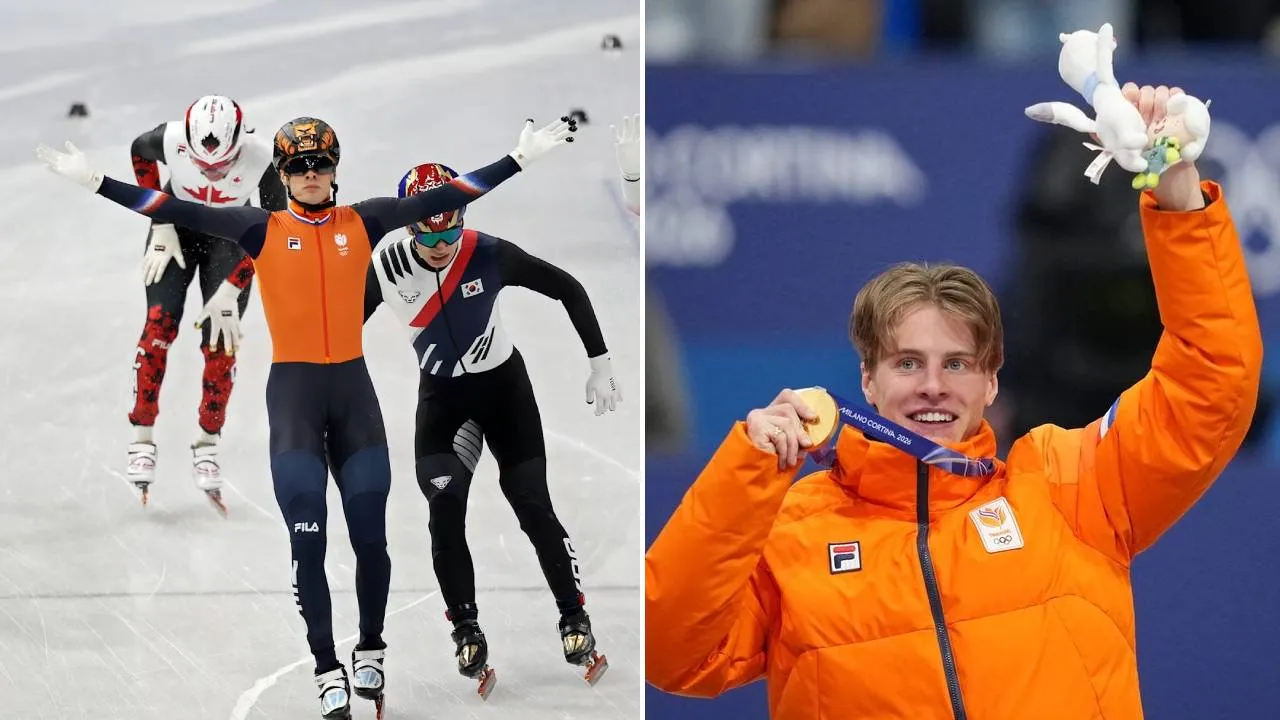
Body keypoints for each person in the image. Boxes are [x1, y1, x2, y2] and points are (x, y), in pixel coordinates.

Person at [644, 84, 1263, 719]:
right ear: (868, 381)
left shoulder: (1070, 487)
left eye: (958, 364)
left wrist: (1177, 186)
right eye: (907, 362)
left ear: (991, 382)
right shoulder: (793, 533)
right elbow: (671, 654)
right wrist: (744, 473)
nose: (933, 385)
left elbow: (1210, 386)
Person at [38, 115, 577, 720]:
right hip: (294, 402)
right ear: (284, 175)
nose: (311, 174)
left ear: (335, 169)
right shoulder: (256, 227)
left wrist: (518, 159)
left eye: (320, 164)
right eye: (298, 166)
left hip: (354, 401)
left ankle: (371, 648)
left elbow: (447, 197)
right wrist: (93, 181)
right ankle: (326, 667)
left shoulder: (364, 221)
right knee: (308, 543)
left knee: (372, 539)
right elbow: (166, 205)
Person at [363, 162, 620, 698]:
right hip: (442, 403)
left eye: (449, 228)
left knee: (529, 501)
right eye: (426, 230)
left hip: (505, 393)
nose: (439, 242)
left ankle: (574, 617)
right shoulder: (383, 267)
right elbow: (336, 333)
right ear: (407, 224)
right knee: (445, 507)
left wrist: (601, 362)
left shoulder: (487, 251)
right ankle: (465, 627)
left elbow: (567, 287)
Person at [125, 94, 286, 514]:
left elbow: (273, 232)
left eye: (220, 166)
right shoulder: (171, 138)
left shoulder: (264, 158)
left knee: (222, 343)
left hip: (231, 243)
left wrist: (234, 288)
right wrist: (159, 221)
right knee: (157, 329)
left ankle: (208, 443)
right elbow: (138, 152)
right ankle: (142, 438)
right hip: (174, 229)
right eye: (200, 165)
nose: (210, 171)